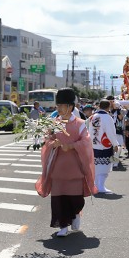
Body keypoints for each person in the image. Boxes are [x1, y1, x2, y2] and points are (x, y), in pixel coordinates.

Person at [35, 88, 97, 237]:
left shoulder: (80, 124)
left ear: (70, 107)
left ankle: (76, 213)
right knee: (58, 199)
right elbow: (46, 140)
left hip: (75, 168)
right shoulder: (53, 124)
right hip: (57, 168)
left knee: (75, 199)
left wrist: (71, 146)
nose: (58, 109)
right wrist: (52, 143)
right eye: (57, 106)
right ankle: (63, 226)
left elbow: (86, 142)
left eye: (61, 106)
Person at [88, 100, 120, 194]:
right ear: (108, 107)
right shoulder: (107, 117)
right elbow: (110, 132)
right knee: (104, 167)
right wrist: (115, 144)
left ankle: (95, 185)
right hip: (104, 145)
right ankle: (100, 186)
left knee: (96, 166)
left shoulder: (92, 117)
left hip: (93, 145)